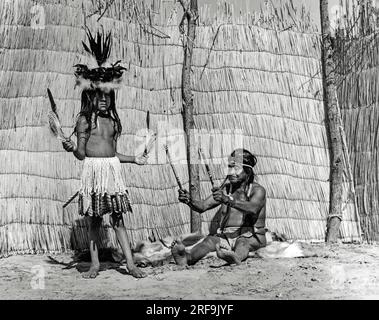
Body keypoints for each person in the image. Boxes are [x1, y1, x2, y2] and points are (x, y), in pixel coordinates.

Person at [62, 28, 147, 279]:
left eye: (107, 97)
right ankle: (95, 264)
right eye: (99, 96)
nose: (104, 101)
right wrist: (70, 149)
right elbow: (81, 154)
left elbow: (113, 154)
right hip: (93, 173)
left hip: (112, 172)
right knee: (95, 222)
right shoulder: (84, 121)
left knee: (118, 219)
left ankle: (130, 264)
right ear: (91, 95)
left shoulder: (111, 123)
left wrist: (134, 159)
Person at [171, 149, 267, 266]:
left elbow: (253, 208)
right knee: (209, 241)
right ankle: (187, 257)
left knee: (242, 243)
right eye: (229, 167)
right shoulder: (226, 189)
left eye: (235, 168)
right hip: (226, 237)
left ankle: (235, 257)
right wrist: (189, 200)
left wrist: (227, 199)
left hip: (251, 236)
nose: (230, 172)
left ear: (247, 171)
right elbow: (202, 206)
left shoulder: (258, 190)